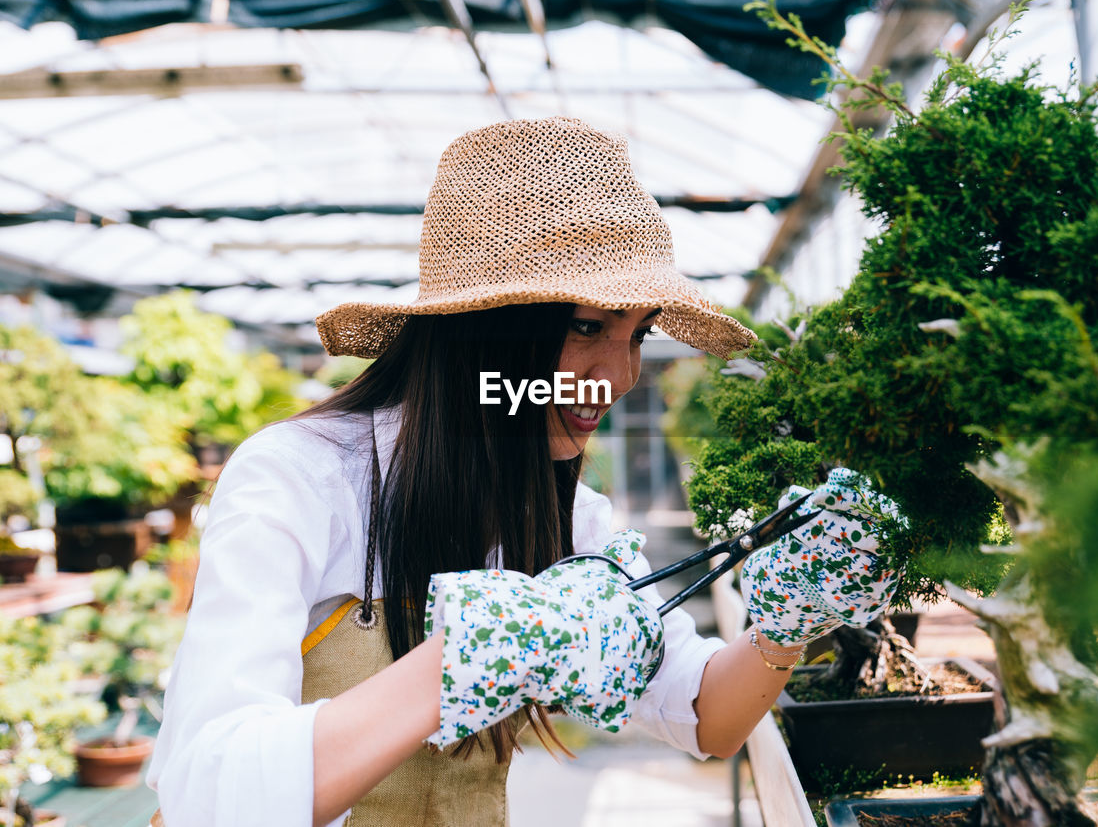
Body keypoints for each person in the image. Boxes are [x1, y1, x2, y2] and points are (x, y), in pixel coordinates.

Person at [146, 116, 899, 827]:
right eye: (585, 328)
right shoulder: (301, 479)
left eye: (637, 335)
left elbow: (702, 713)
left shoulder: (568, 516)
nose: (620, 374)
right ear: (483, 335)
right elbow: (209, 789)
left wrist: (788, 622)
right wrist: (460, 658)